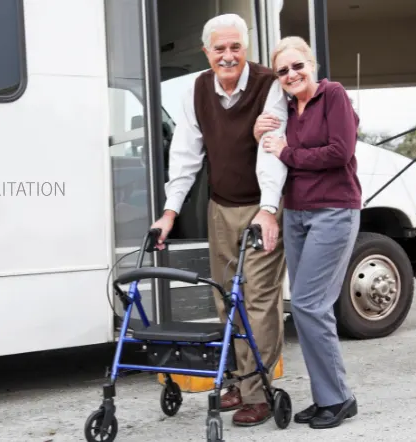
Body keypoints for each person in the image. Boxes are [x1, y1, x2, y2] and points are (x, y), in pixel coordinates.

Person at [150, 13, 289, 427]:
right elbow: (186, 155)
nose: (228, 57)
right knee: (226, 297)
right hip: (221, 206)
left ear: (245, 49)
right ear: (206, 52)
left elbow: (270, 151)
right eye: (220, 49)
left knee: (260, 298)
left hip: (263, 204)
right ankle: (239, 380)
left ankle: (258, 392)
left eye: (236, 47)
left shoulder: (268, 85)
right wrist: (170, 212)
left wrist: (268, 209)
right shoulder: (197, 90)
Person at [260, 36, 360, 429]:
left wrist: (288, 154)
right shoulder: (284, 108)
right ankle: (326, 397)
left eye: (297, 65)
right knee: (303, 308)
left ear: (311, 64)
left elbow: (341, 151)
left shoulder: (332, 95)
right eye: (283, 70)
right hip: (296, 213)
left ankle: (338, 398)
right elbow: (266, 145)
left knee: (309, 304)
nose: (291, 74)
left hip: (333, 211)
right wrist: (261, 132)